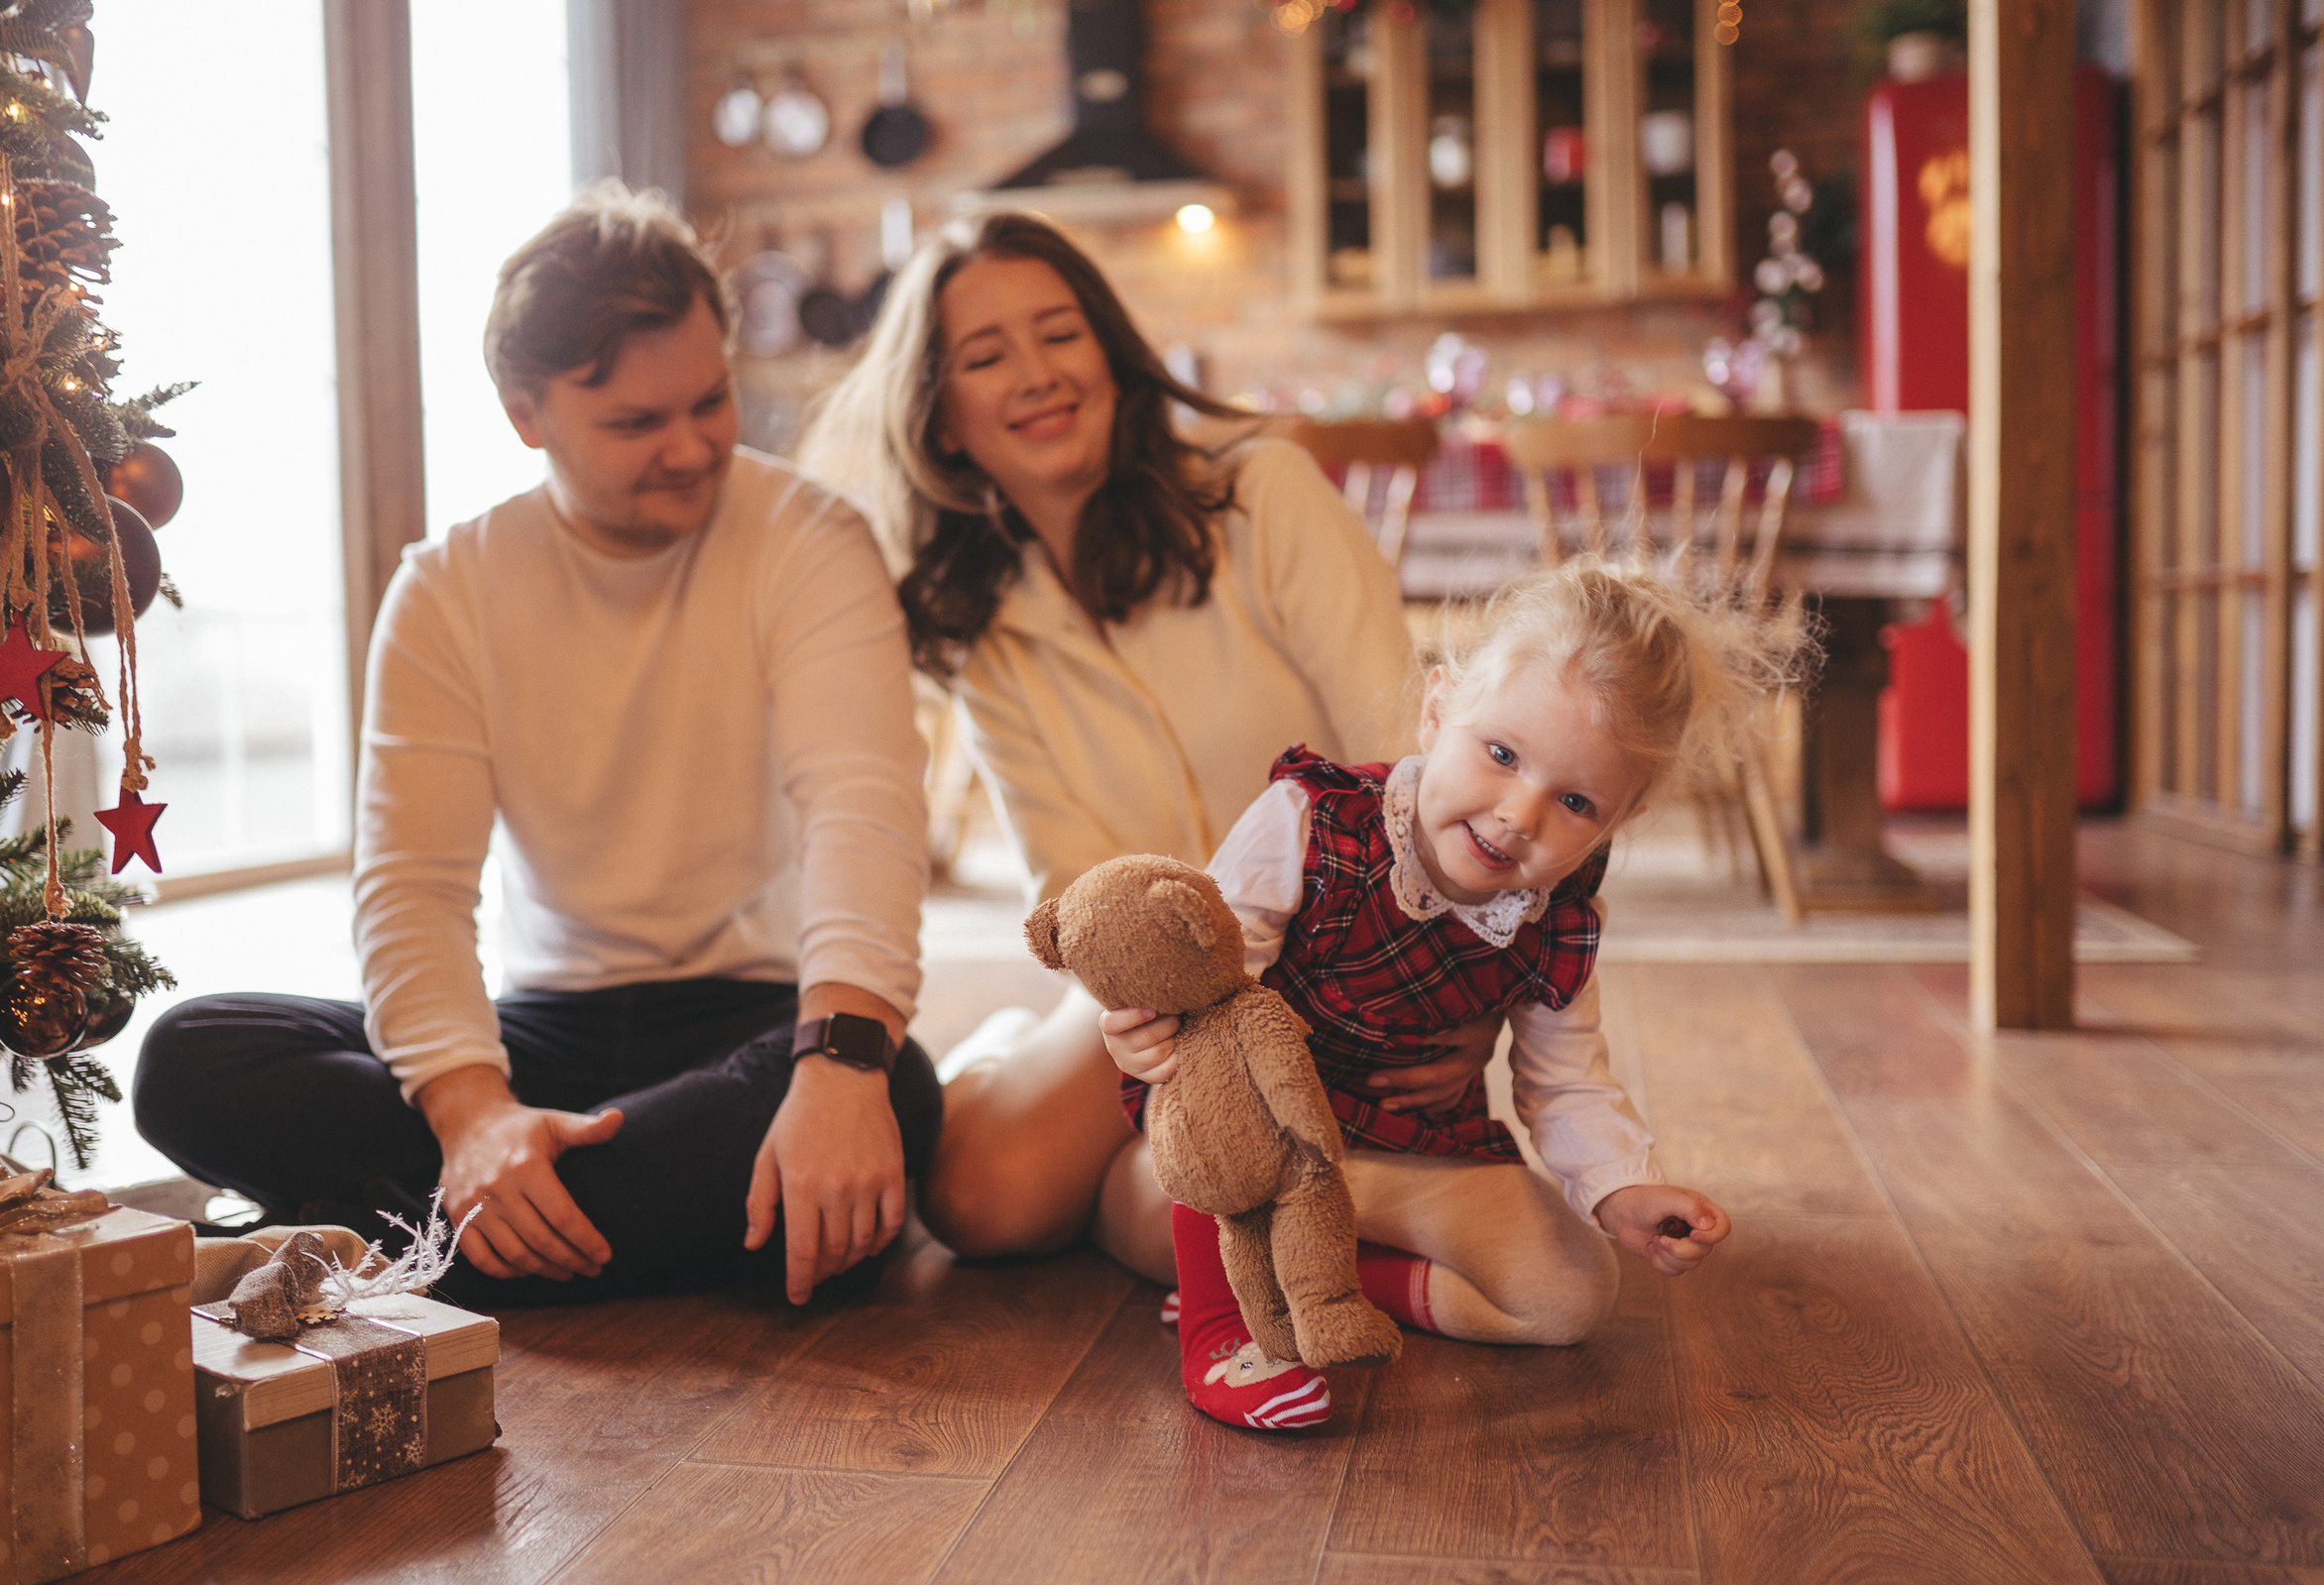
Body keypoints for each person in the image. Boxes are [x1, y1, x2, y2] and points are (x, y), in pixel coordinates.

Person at [135, 184, 939, 1308]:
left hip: (750, 1017)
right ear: (526, 413)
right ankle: (631, 1223)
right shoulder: (449, 588)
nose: (693, 446)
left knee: (891, 1087)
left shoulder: (810, 539)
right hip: (542, 1034)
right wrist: (473, 1117)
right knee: (193, 1057)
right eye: (635, 424)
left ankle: (390, 1244)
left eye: (710, 401)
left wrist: (843, 1063)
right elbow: (413, 888)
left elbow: (863, 805)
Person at [801, 211, 1495, 1281]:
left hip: (1352, 966)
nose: (1035, 374)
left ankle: (1225, 1207)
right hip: (1164, 985)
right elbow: (1069, 874)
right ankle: (1047, 1086)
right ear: (941, 421)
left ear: (1114, 358)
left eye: (1059, 333)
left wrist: (1461, 991)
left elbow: (1410, 761)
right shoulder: (981, 614)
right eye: (986, 357)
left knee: (1208, 1171)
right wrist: (1137, 1011)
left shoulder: (1263, 495)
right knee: (980, 1201)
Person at [1103, 561, 1809, 1428]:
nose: (1519, 815)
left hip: (1406, 1155)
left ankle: (1318, 1278)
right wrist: (1151, 1034)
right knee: (1186, 1140)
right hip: (1269, 1136)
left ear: (1617, 821)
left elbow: (1567, 1080)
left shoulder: (1556, 920)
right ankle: (1226, 1331)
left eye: (1576, 801)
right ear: (1438, 710)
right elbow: (1206, 982)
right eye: (1502, 754)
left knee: (1571, 1294)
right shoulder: (1309, 822)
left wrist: (1624, 1192)